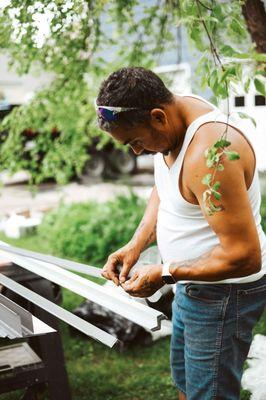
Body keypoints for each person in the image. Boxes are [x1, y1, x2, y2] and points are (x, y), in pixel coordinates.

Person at [95, 67, 266, 400]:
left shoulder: (211, 156)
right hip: (190, 284)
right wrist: (137, 243)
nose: (136, 153)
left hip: (224, 295)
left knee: (209, 393)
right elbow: (166, 188)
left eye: (135, 142)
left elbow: (244, 256)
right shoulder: (175, 116)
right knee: (186, 383)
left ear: (158, 117)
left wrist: (164, 272)